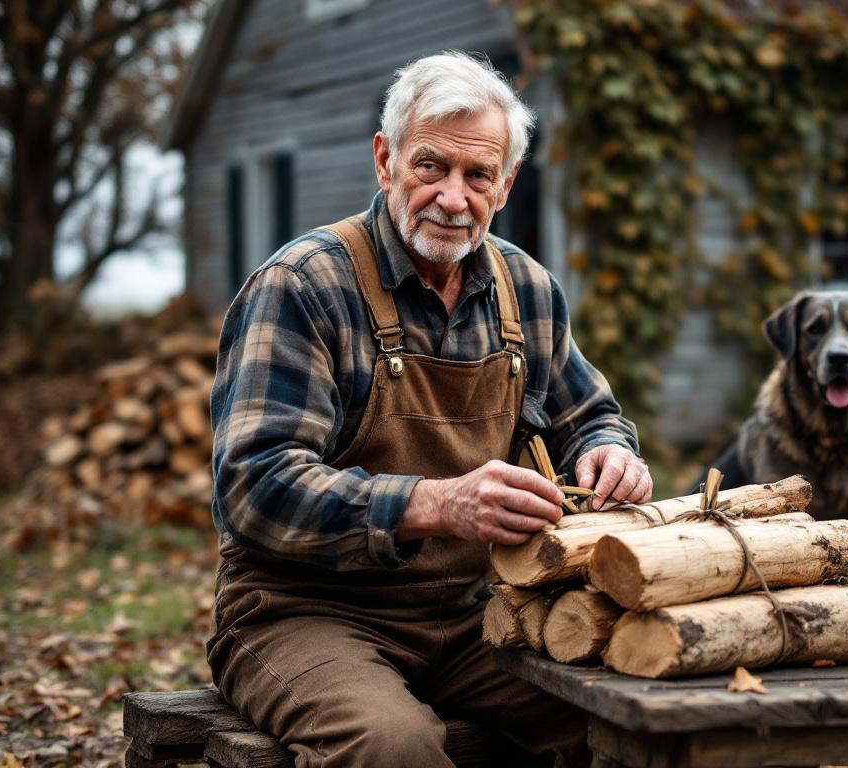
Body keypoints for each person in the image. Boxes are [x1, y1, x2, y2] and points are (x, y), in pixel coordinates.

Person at [205, 51, 651, 767]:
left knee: (622, 718)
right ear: (385, 161)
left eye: (478, 176)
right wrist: (437, 505)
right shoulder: (303, 286)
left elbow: (591, 417)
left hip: (473, 615)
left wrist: (611, 452)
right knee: (392, 747)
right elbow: (253, 488)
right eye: (430, 166)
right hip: (303, 613)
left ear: (505, 186)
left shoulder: (526, 290)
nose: (452, 197)